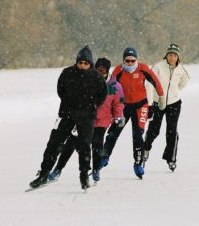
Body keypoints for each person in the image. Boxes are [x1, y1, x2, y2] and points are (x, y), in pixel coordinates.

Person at [29, 45, 108, 190]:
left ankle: (84, 175)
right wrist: (68, 102)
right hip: (67, 114)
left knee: (84, 146)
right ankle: (44, 173)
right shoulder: (67, 73)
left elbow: (103, 94)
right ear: (76, 62)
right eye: (80, 63)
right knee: (54, 144)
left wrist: (92, 105)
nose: (83, 65)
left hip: (87, 117)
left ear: (90, 64)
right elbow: (60, 90)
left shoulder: (96, 76)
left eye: (86, 63)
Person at [48, 57, 124, 183]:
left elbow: (118, 103)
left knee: (97, 145)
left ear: (107, 71)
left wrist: (118, 116)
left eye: (103, 70)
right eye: (98, 69)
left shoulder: (115, 86)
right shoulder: (87, 79)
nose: (100, 72)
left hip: (101, 121)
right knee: (71, 144)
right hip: (83, 119)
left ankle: (96, 169)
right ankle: (58, 169)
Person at [101, 47, 164, 179]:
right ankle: (104, 156)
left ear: (136, 60)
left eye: (132, 61)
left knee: (138, 135)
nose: (129, 63)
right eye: (127, 61)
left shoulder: (143, 68)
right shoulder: (118, 70)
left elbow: (155, 81)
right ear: (123, 60)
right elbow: (109, 87)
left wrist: (161, 97)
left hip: (140, 105)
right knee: (114, 131)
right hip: (123, 106)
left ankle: (138, 162)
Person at [143, 44, 189, 171]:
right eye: (170, 55)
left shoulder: (181, 69)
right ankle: (145, 149)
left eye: (174, 55)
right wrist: (151, 103)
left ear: (177, 57)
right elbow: (149, 84)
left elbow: (184, 82)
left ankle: (171, 159)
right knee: (154, 129)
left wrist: (173, 92)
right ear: (166, 55)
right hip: (158, 103)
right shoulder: (158, 66)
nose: (172, 57)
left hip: (174, 104)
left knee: (172, 132)